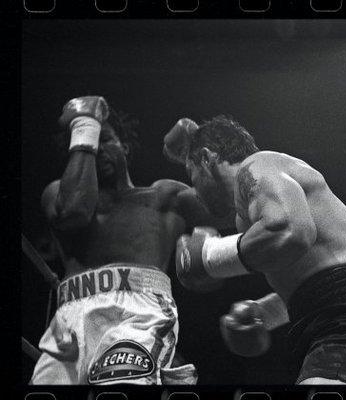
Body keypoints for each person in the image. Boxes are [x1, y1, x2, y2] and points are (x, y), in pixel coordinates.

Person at [163, 115, 346, 385]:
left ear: (206, 158)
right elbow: (317, 280)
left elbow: (291, 232)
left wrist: (211, 256)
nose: (195, 191)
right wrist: (262, 314)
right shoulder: (247, 213)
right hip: (337, 319)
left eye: (192, 175)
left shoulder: (258, 165)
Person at [31, 96, 221, 385]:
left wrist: (200, 153)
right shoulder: (57, 193)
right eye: (91, 144)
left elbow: (228, 206)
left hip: (135, 314)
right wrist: (86, 126)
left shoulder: (162, 197)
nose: (98, 150)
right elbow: (74, 212)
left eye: (105, 139)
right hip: (67, 325)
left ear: (125, 146)